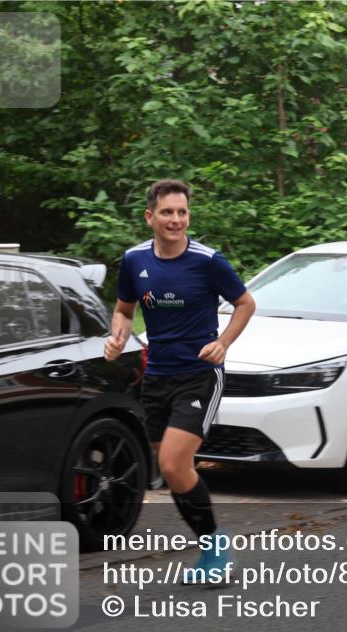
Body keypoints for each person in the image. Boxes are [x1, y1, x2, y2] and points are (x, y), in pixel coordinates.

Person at [104, 178, 256, 584]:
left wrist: (223, 342)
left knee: (173, 463)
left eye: (182, 212)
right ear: (150, 217)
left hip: (199, 374)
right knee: (173, 468)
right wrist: (117, 335)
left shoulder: (207, 261)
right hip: (157, 375)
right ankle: (210, 547)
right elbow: (123, 310)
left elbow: (245, 303)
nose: (176, 219)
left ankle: (216, 547)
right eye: (167, 212)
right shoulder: (134, 260)